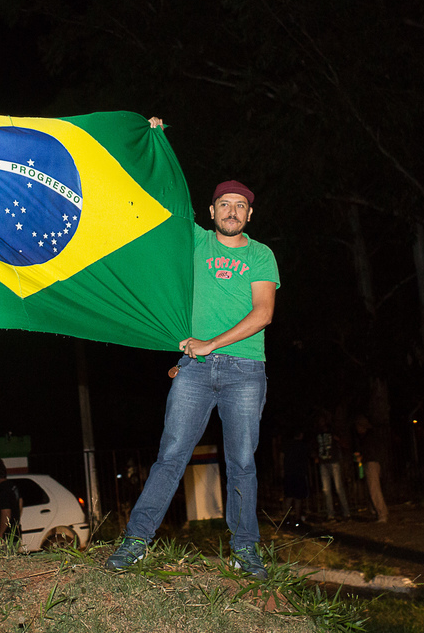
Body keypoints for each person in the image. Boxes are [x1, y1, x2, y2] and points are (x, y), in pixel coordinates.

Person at [106, 143, 280, 579]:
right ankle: (136, 541)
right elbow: (159, 202)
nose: (232, 211)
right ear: (212, 210)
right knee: (171, 456)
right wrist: (154, 144)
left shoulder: (260, 254)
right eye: (225, 204)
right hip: (195, 371)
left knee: (242, 463)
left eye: (240, 206)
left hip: (245, 372)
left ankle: (245, 550)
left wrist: (210, 343)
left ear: (249, 215)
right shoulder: (196, 241)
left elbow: (263, 314)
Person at [353, 415, 388, 523]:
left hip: (371, 462)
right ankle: (376, 511)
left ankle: (382, 513)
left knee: (374, 489)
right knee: (372, 488)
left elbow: (371, 451)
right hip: (370, 462)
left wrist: (361, 457)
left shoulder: (369, 437)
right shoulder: (366, 437)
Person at [316, 416, 351, 521]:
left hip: (334, 461)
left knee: (338, 487)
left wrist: (338, 439)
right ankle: (331, 514)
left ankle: (346, 512)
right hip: (323, 462)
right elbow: (315, 446)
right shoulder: (318, 434)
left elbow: (344, 444)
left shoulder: (333, 431)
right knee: (326, 489)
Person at [0, 459, 23, 547]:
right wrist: (16, 519)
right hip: (13, 534)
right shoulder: (12, 486)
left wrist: (0, 534)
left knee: (2, 555)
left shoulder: (1, 490)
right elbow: (20, 502)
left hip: (5, 538)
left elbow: (6, 513)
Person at [280, 429, 312, 525]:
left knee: (289, 496)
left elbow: (281, 456)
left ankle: (287, 517)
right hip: (299, 473)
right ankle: (297, 517)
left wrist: (282, 469)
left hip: (289, 473)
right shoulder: (302, 445)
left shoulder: (287, 444)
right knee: (298, 497)